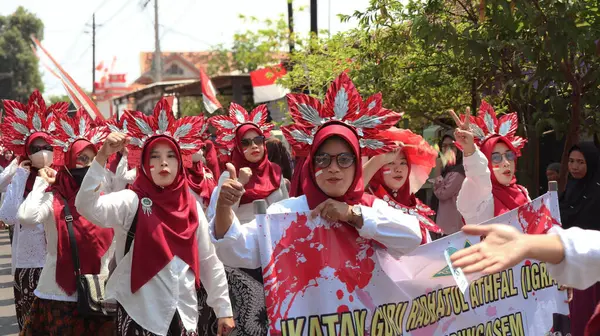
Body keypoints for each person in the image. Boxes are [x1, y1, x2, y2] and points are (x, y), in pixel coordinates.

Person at [212, 74, 422, 333]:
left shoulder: (370, 208)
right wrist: (223, 207)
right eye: (324, 159)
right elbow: (234, 250)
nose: (334, 168)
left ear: (357, 164)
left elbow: (412, 237)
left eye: (344, 159)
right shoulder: (286, 215)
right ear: (312, 165)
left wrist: (354, 216)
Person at [74, 100, 234, 336]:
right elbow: (87, 206)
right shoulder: (131, 201)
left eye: (171, 155)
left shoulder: (191, 206)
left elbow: (209, 260)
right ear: (144, 163)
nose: (163, 163)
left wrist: (223, 309)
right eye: (154, 156)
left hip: (185, 318)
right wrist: (101, 157)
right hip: (140, 315)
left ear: (180, 163)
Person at [17, 108, 115, 335]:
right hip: (58, 295)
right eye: (81, 159)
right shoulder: (55, 197)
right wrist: (44, 182)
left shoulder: (104, 201)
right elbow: (26, 217)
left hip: (97, 296)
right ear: (68, 162)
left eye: (92, 160)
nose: (87, 165)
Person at [208, 103, 289, 336]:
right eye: (246, 142)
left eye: (258, 140)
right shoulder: (229, 176)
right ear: (236, 146)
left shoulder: (275, 172)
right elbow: (217, 221)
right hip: (241, 261)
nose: (253, 146)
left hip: (275, 259)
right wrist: (241, 184)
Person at [450, 223, 600, 336]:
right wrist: (527, 244)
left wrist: (527, 244)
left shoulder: (522, 193)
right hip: (497, 301)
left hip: (530, 299)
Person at [0, 91, 59, 329]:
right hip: (28, 264)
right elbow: (8, 216)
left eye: (47, 146)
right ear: (27, 151)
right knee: (29, 325)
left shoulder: (64, 177)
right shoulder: (21, 178)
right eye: (36, 148)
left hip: (58, 263)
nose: (42, 152)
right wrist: (22, 175)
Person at [450, 102, 534, 227]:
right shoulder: (480, 196)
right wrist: (470, 149)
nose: (506, 163)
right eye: (495, 158)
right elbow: (478, 175)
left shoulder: (522, 192)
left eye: (509, 155)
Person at [363, 127, 442, 243]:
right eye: (390, 162)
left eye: (403, 163)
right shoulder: (365, 202)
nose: (398, 169)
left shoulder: (412, 203)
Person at [558, 142, 600, 336]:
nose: (574, 166)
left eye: (581, 162)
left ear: (591, 163)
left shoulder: (596, 192)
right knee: (576, 320)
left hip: (594, 268)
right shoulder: (571, 190)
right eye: (571, 161)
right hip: (573, 265)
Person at [433, 134, 466, 235]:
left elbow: (443, 194)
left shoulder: (459, 171)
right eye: (444, 146)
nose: (448, 150)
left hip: (452, 227)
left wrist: (437, 172)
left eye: (452, 146)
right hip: (444, 225)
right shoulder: (447, 170)